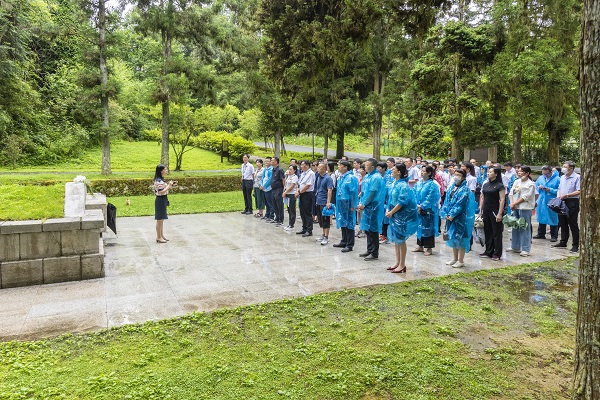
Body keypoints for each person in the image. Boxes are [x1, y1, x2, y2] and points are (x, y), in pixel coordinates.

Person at [440, 169, 477, 268]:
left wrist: (452, 214)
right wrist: (445, 213)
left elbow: (460, 204)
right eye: (455, 174)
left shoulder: (464, 190)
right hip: (450, 217)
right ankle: (454, 258)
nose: (456, 176)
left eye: (459, 175)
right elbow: (446, 201)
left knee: (460, 238)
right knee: (453, 237)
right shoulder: (452, 187)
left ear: (463, 177)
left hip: (460, 218)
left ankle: (461, 260)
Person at [386, 163, 418, 273]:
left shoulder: (403, 186)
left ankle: (402, 264)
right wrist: (388, 210)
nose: (392, 171)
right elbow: (390, 198)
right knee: (396, 239)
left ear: (399, 172)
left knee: (401, 240)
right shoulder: (395, 183)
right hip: (394, 214)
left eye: (393, 169)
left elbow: (402, 202)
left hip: (401, 215)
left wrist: (391, 212)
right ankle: (397, 261)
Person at [356, 158, 384, 260]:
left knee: (373, 229)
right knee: (367, 229)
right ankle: (369, 249)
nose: (365, 167)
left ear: (372, 167)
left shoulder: (376, 177)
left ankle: (374, 252)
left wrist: (364, 203)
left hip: (373, 205)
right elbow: (364, 191)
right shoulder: (367, 176)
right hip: (366, 204)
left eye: (367, 165)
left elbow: (372, 193)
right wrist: (361, 202)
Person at [553, 161, 581, 253]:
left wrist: (567, 195)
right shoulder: (562, 177)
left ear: (571, 168)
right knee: (562, 222)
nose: (563, 168)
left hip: (572, 201)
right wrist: (559, 197)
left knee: (572, 223)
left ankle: (575, 245)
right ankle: (563, 241)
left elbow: (579, 191)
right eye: (563, 166)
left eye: (565, 167)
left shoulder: (577, 177)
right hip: (561, 200)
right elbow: (560, 188)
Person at [508, 166, 536, 256]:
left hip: (525, 208)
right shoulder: (517, 181)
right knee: (515, 226)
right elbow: (511, 193)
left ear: (527, 173)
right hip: (515, 207)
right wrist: (512, 203)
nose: (519, 173)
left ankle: (525, 248)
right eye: (518, 171)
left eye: (521, 172)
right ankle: (515, 246)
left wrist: (514, 203)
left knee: (524, 227)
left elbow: (526, 197)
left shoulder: (530, 184)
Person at [478, 167, 505, 260]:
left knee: (496, 232)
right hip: (486, 210)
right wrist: (480, 209)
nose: (488, 173)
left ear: (496, 174)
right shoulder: (485, 184)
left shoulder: (499, 185)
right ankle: (488, 251)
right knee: (487, 231)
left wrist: (500, 213)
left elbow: (502, 200)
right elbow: (482, 197)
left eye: (490, 172)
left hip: (495, 210)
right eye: (488, 172)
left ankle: (497, 253)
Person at [413, 165, 441, 256]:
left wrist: (422, 206)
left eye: (424, 171)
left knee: (428, 228)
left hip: (428, 209)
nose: (422, 172)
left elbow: (431, 198)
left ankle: (429, 247)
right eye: (421, 170)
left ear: (429, 173)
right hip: (418, 208)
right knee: (419, 227)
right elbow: (413, 193)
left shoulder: (432, 184)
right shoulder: (419, 183)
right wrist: (416, 204)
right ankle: (420, 245)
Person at [333, 160, 358, 252]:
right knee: (342, 221)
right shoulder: (340, 177)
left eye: (340, 165)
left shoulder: (351, 178)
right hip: (341, 202)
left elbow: (353, 192)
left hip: (348, 202)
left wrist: (352, 205)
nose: (338, 167)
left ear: (345, 167)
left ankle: (350, 244)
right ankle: (344, 240)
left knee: (349, 223)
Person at [534, 165, 560, 241]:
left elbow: (559, 190)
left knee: (553, 217)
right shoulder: (541, 178)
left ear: (551, 171)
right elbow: (536, 187)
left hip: (552, 200)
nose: (545, 175)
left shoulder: (557, 179)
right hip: (541, 199)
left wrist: (550, 189)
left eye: (547, 173)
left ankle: (554, 235)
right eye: (544, 173)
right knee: (541, 215)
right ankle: (541, 233)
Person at [153, 164, 177, 243]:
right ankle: (158, 237)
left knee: (162, 219)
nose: (166, 171)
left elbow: (164, 189)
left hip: (163, 199)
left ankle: (161, 235)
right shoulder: (158, 180)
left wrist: (171, 185)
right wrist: (169, 185)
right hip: (160, 199)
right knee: (159, 219)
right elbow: (161, 191)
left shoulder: (161, 179)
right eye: (165, 169)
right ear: (161, 171)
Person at [315, 162, 334, 245]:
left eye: (319, 167)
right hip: (318, 200)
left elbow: (329, 190)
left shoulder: (328, 178)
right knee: (321, 220)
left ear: (324, 169)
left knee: (326, 220)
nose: (317, 169)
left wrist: (328, 202)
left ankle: (326, 237)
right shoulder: (319, 177)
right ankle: (323, 234)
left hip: (324, 201)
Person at [296, 160, 316, 237]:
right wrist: (298, 190)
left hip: (307, 194)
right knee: (302, 212)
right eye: (301, 165)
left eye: (303, 165)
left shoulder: (311, 174)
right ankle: (304, 228)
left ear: (307, 166)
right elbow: (300, 183)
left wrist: (300, 192)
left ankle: (309, 229)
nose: (301, 166)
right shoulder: (302, 173)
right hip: (301, 193)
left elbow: (308, 185)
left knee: (307, 212)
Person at [270, 157, 286, 227]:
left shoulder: (280, 170)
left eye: (272, 160)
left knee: (279, 204)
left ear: (276, 162)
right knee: (274, 204)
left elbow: (283, 179)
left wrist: (284, 189)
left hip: (279, 189)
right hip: (273, 189)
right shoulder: (273, 169)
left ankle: (280, 219)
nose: (271, 161)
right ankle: (277, 218)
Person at [283, 164, 298, 231]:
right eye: (289, 169)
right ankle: (289, 224)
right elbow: (285, 185)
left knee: (292, 210)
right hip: (287, 194)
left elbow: (292, 186)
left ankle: (292, 225)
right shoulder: (288, 176)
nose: (289, 170)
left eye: (291, 169)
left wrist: (285, 192)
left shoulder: (295, 177)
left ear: (294, 170)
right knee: (289, 210)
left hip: (292, 194)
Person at [260, 156, 273, 221]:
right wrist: (261, 184)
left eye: (268, 161)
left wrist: (264, 186)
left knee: (270, 203)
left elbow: (270, 179)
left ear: (271, 162)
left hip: (269, 188)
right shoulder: (265, 169)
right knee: (266, 203)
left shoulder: (271, 169)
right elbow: (262, 178)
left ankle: (271, 216)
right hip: (264, 188)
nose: (266, 162)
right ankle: (267, 214)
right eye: (266, 161)